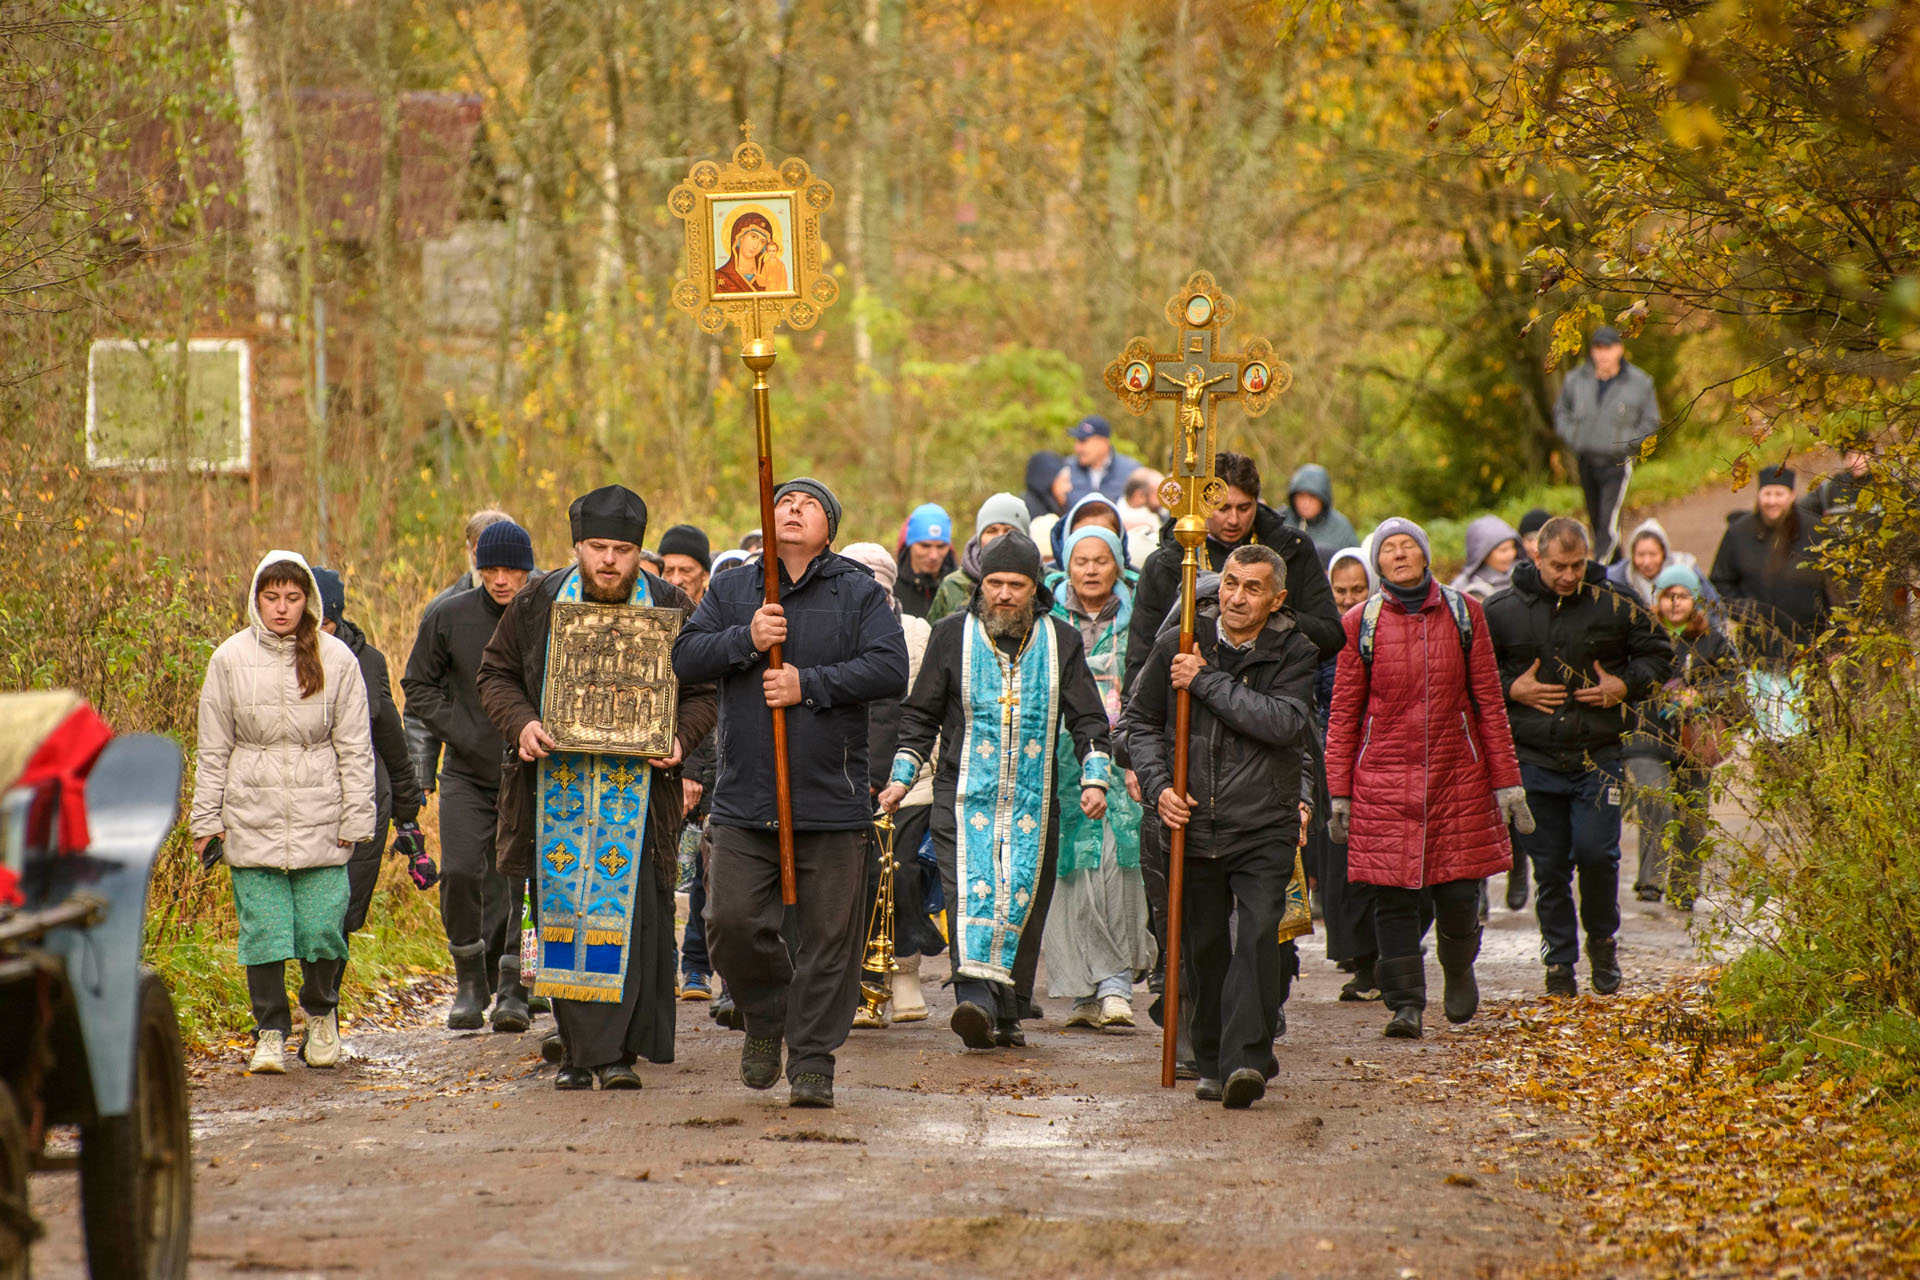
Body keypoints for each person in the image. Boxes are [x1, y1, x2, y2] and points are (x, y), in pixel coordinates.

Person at [674, 478, 909, 1109]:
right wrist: (745, 640)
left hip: (832, 798)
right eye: (783, 501)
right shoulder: (731, 588)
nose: (794, 509)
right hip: (745, 797)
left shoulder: (858, 591)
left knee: (830, 940)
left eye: (809, 504)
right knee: (729, 923)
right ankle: (766, 1013)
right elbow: (685, 657)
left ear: (829, 528)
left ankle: (811, 1060)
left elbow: (891, 669)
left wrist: (810, 685)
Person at [479, 486, 717, 1091]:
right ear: (578, 547)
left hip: (639, 800)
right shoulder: (537, 601)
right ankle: (578, 1052)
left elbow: (703, 691)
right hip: (553, 792)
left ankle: (615, 1056)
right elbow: (495, 674)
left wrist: (681, 740)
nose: (609, 560)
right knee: (563, 917)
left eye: (622, 549)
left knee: (628, 921)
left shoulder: (670, 605)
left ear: (639, 552)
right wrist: (522, 723)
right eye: (598, 547)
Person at [879, 531, 1112, 1051]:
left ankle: (1008, 1010)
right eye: (995, 583)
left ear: (1035, 588)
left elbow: (1090, 720)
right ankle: (975, 1002)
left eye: (1016, 585)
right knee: (970, 894)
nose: (1004, 594)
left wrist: (1095, 778)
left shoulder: (1061, 641)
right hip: (961, 798)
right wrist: (900, 779)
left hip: (1035, 800)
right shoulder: (950, 635)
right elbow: (920, 717)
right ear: (980, 584)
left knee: (1023, 898)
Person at [1122, 545, 1320, 1108]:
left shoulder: (1295, 650)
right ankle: (1210, 1061)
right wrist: (1160, 787)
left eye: (1253, 588)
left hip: (1263, 823)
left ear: (1276, 599)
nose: (1236, 597)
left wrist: (1205, 681)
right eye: (1231, 582)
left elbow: (1283, 723)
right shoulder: (1180, 641)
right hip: (1192, 822)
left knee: (1257, 938)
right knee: (1203, 947)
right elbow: (1140, 723)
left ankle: (1246, 1062)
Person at [1325, 519, 1531, 1039]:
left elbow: (1489, 703)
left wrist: (1507, 783)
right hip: (1383, 780)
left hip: (1455, 776)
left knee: (1458, 891)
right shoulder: (1360, 623)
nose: (1398, 554)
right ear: (1378, 562)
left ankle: (1458, 969)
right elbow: (1344, 713)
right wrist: (1339, 792)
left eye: (1407, 546)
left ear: (1424, 556)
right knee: (1392, 897)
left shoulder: (1465, 613)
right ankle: (1405, 1004)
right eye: (1388, 549)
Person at [192, 551, 374, 1074]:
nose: (281, 608)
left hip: (323, 815)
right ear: (256, 598)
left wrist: (357, 818)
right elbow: (213, 748)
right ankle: (269, 1030)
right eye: (271, 597)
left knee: (322, 928)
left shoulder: (337, 659)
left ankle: (321, 1015)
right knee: (264, 932)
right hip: (251, 813)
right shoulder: (229, 659)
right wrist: (206, 821)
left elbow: (355, 747)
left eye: (292, 598)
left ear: (308, 601)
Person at [1485, 517, 1672, 997]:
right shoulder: (1502, 610)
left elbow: (1660, 654)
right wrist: (1512, 688)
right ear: (1537, 558)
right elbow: (1475, 675)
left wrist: (1623, 685)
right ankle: (1559, 961)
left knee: (1596, 854)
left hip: (1598, 754)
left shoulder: (1617, 602)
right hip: (1534, 756)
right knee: (1549, 867)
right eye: (1558, 567)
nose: (1568, 576)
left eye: (1576, 565)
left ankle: (1603, 943)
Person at [403, 519, 536, 1032]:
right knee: (459, 873)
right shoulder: (449, 615)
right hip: (465, 772)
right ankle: (469, 982)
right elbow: (417, 684)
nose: (501, 580)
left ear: (528, 571)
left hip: (533, 772)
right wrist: (459, 730)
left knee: (526, 883)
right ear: (478, 567)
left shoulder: (547, 616)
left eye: (511, 570)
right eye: (490, 569)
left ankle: (516, 986)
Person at [1039, 524, 1153, 1031]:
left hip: (1121, 756)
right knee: (1069, 873)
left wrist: (1138, 759)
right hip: (1059, 759)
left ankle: (1115, 985)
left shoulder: (1137, 619)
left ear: (1117, 565)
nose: (1090, 570)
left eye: (1101, 560)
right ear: (1066, 565)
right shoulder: (1048, 622)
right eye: (1080, 560)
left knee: (1116, 866)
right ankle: (1082, 989)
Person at [1125, 452, 1345, 689]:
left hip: (1269, 692)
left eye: (1244, 508)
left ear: (1257, 502)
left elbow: (1329, 635)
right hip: (1184, 694)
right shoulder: (1167, 561)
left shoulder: (1292, 549)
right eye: (1223, 508)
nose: (1233, 520)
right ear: (1202, 503)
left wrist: (1269, 613)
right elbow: (1142, 655)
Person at [310, 568, 427, 1006]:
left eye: (323, 622)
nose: (315, 632)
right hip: (302, 803)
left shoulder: (368, 661)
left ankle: (324, 1006)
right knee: (304, 910)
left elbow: (391, 736)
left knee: (341, 910)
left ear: (337, 618)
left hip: (362, 804)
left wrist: (408, 812)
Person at [840, 542, 943, 1025]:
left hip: (913, 776)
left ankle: (904, 970)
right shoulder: (831, 631)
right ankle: (863, 985)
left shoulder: (917, 633)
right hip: (843, 777)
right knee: (852, 882)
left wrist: (908, 770)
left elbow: (925, 706)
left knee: (898, 873)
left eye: (876, 589)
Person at [1626, 564, 1739, 908]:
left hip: (1696, 738)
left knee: (1692, 811)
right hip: (1648, 734)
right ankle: (1651, 880)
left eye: (1683, 596)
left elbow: (1734, 682)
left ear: (1696, 600)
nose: (1675, 603)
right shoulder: (1642, 636)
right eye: (1667, 595)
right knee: (1656, 799)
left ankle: (1685, 886)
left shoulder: (1713, 640)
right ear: (1657, 599)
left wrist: (1701, 695)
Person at [407, 509, 515, 797]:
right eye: (482, 552)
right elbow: (423, 688)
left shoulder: (545, 597)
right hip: (467, 762)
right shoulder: (444, 610)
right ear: (469, 550)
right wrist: (421, 770)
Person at [655, 523, 717, 1000]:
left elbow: (709, 700)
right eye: (669, 569)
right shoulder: (655, 614)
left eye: (686, 570)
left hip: (706, 765)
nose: (676, 578)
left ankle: (699, 965)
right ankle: (665, 964)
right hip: (658, 764)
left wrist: (694, 771)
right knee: (663, 870)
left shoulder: (713, 618)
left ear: (704, 575)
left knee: (706, 872)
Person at [1315, 548, 1379, 997]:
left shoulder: (1381, 631)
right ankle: (1355, 953)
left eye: (1358, 589)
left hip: (1376, 755)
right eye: (1340, 590)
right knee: (1336, 859)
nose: (1349, 598)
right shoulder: (1324, 635)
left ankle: (1377, 957)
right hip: (1330, 755)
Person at [1553, 326, 1662, 562]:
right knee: (1596, 521)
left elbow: (1651, 422)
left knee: (1608, 524)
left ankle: (1598, 570)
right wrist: (1574, 437)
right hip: (1586, 460)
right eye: (1598, 348)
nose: (1603, 354)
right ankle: (1617, 569)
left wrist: (1626, 443)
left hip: (1617, 462)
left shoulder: (1639, 382)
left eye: (1608, 348)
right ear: (1592, 351)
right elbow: (1561, 412)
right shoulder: (1576, 379)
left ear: (1619, 350)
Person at [1710, 464, 1830, 657]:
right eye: (1767, 494)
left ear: (1792, 496)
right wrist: (1745, 610)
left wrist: (1836, 639)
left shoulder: (1816, 531)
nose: (1772, 501)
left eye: (1779, 494)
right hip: (1758, 645)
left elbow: (1836, 585)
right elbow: (1720, 581)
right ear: (1759, 496)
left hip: (1811, 641)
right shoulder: (1738, 533)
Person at [927, 492, 1032, 622]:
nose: (1000, 537)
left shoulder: (1045, 582)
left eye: (1010, 531)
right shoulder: (954, 584)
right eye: (992, 530)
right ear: (979, 537)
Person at [1605, 517, 1708, 611]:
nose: (1647, 562)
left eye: (1653, 554)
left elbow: (1710, 608)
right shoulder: (1616, 578)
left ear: (1664, 554)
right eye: (1640, 555)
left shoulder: (1685, 568)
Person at [1282, 463, 1360, 566]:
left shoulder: (1341, 528)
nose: (1306, 503)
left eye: (1312, 497)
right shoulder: (1281, 520)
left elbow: (1355, 565)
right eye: (1301, 496)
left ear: (1323, 498)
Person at [1061, 415, 1142, 506]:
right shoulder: (1067, 468)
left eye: (1083, 441)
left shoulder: (1131, 472)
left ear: (1104, 443)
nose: (1077, 448)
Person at [893, 503, 955, 620]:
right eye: (925, 546)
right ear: (909, 545)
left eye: (941, 546)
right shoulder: (891, 588)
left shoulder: (960, 587)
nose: (934, 555)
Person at [1048, 492, 1131, 572]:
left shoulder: (1136, 580)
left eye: (1104, 535)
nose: (1091, 570)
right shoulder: (1045, 578)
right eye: (1083, 535)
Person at [1450, 515, 1521, 603]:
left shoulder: (1523, 575)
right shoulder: (1463, 587)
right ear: (1484, 554)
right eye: (1503, 550)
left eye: (1513, 547)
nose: (1511, 554)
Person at [657, 524, 711, 604]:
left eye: (685, 571)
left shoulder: (719, 610)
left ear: (705, 575)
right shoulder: (648, 606)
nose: (676, 581)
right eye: (668, 571)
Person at [1023, 450, 1068, 520]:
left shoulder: (1051, 507)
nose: (1068, 487)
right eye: (1065, 481)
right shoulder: (1029, 510)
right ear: (1049, 479)